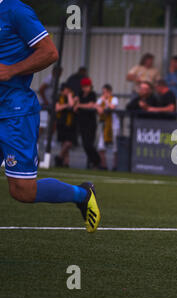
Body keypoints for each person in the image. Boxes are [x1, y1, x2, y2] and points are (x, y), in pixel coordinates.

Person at [0, 0, 100, 232]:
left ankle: (82, 194)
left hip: (15, 113)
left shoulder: (15, 11)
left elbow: (49, 52)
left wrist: (12, 70)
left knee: (22, 191)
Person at [74, 77, 101, 169]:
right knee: (85, 144)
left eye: (87, 86)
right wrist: (76, 102)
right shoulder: (80, 94)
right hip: (82, 122)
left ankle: (97, 161)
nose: (85, 88)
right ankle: (92, 163)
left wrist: (79, 105)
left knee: (89, 144)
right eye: (84, 86)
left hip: (91, 122)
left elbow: (90, 105)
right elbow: (74, 105)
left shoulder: (92, 94)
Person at [96, 84, 120, 171]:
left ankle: (115, 166)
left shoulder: (114, 99)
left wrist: (105, 101)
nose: (104, 94)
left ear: (109, 92)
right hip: (105, 125)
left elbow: (112, 107)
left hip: (114, 125)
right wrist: (99, 106)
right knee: (101, 146)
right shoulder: (100, 99)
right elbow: (97, 108)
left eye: (105, 92)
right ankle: (104, 165)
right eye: (103, 92)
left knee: (115, 147)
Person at [54, 83, 78, 168]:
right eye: (66, 90)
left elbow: (72, 105)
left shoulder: (72, 97)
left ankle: (59, 157)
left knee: (69, 143)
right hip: (61, 123)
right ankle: (66, 162)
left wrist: (69, 96)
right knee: (64, 143)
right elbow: (57, 108)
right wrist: (66, 105)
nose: (68, 92)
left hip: (71, 123)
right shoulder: (58, 97)